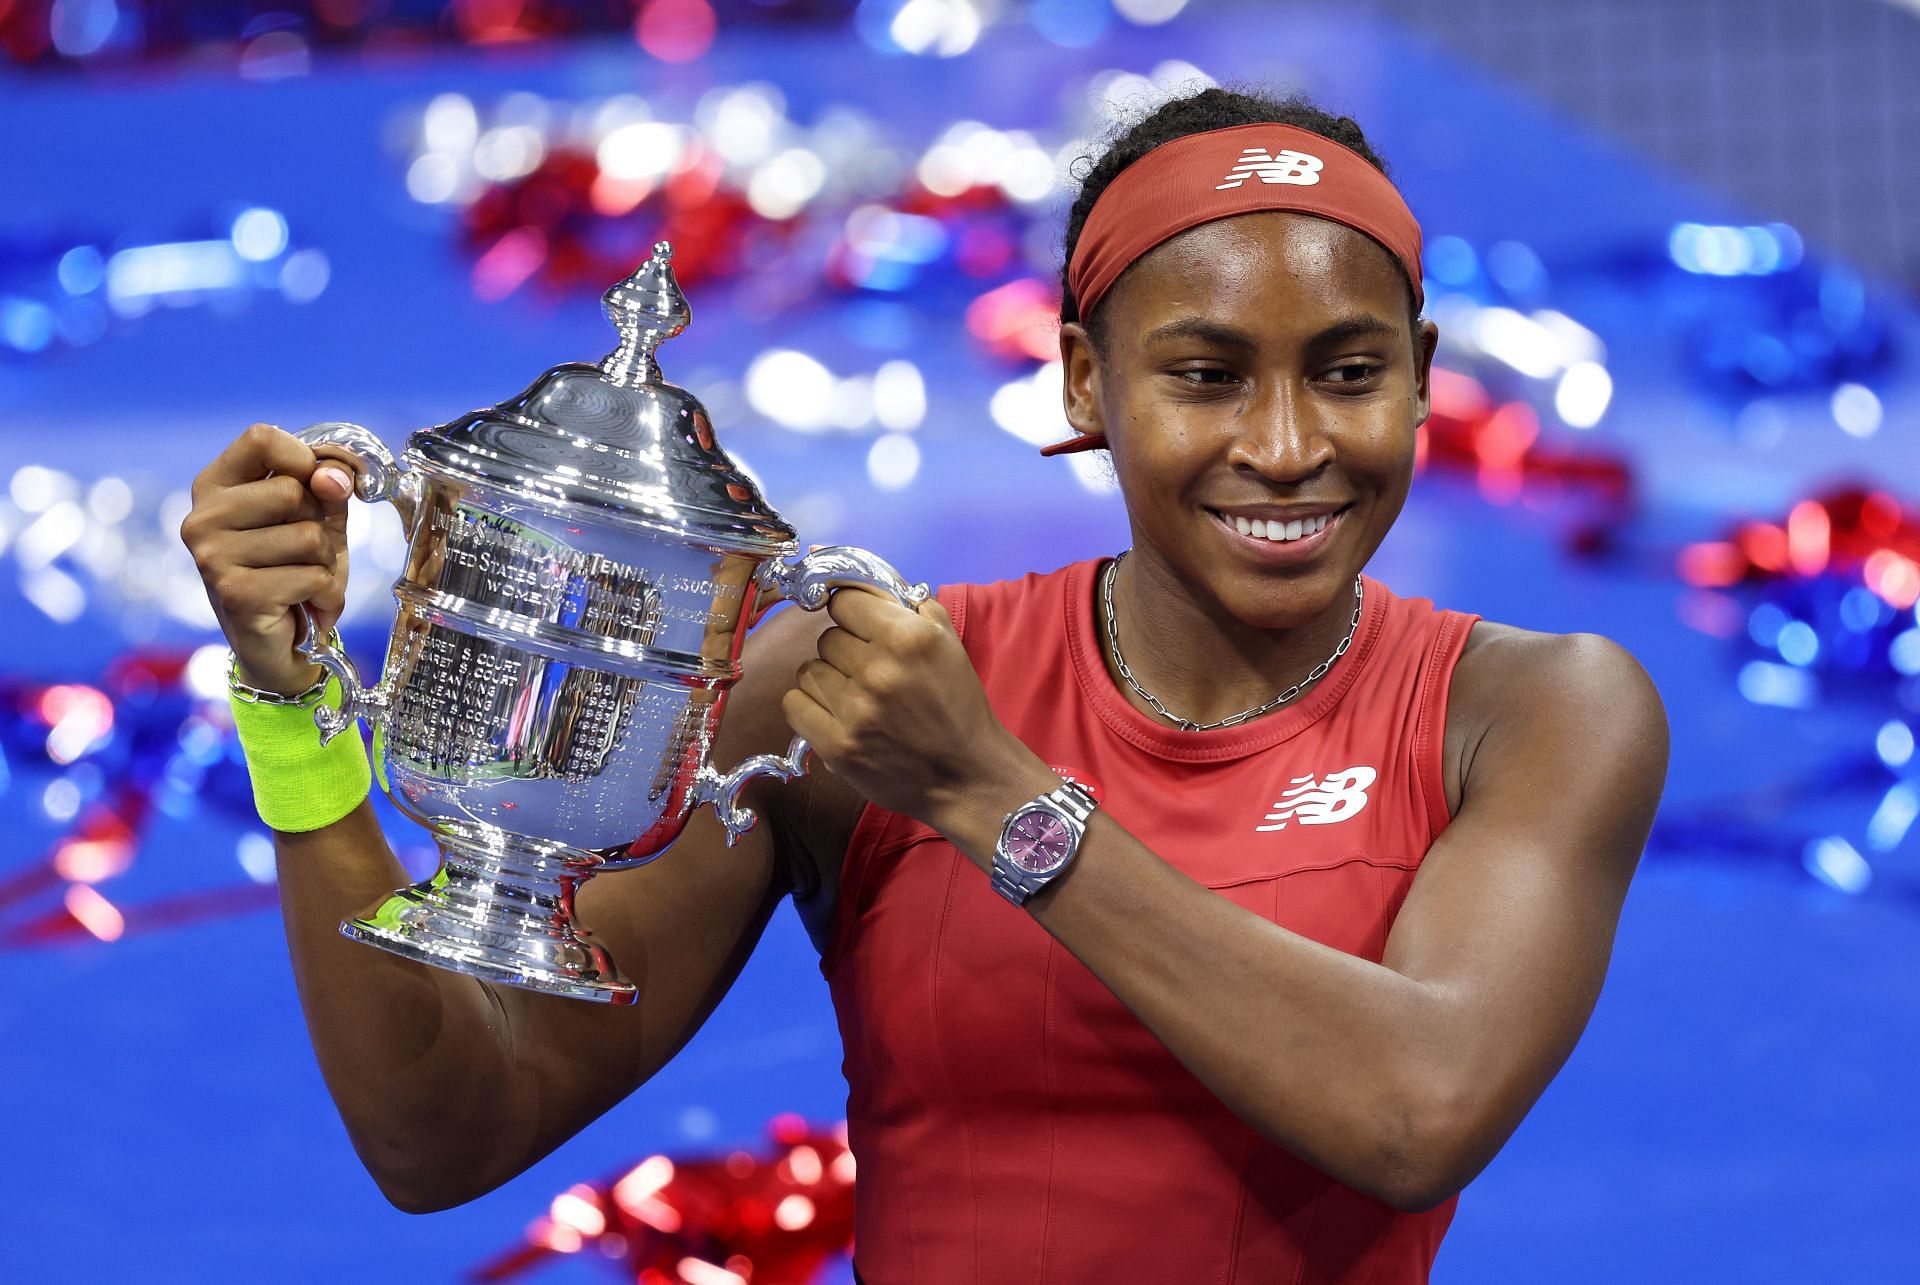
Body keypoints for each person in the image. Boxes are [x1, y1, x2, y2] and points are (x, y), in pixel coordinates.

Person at [179, 86, 1667, 1283]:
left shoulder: (1539, 710)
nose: (1285, 444)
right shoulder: (849, 697)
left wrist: (993, 792)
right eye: (1205, 375)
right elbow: (446, 1129)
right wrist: (296, 712)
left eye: (1348, 372)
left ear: (1420, 372)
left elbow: (1420, 1109)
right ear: (1084, 382)